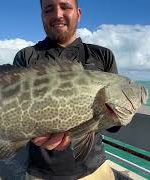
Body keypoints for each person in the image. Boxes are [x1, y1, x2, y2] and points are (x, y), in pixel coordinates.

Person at [13, 0, 121, 179]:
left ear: (78, 13)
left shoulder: (102, 55)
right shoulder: (26, 57)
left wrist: (117, 113)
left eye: (65, 7)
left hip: (95, 171)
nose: (57, 15)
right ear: (42, 16)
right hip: (40, 174)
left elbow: (113, 126)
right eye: (48, 9)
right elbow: (15, 110)